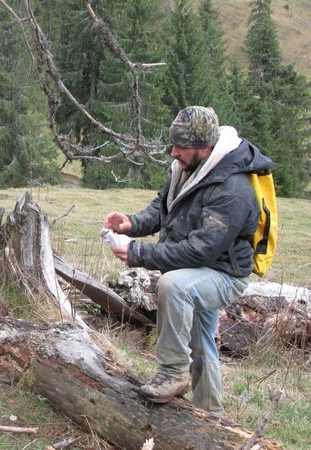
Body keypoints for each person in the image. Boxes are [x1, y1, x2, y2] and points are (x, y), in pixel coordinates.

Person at [104, 106, 274, 415]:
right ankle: (211, 416)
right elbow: (164, 206)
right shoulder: (188, 167)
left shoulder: (233, 189)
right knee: (201, 342)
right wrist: (132, 223)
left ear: (204, 146)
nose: (173, 152)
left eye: (180, 146)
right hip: (195, 270)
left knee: (173, 286)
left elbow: (200, 251)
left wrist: (138, 253)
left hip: (223, 274)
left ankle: (172, 373)